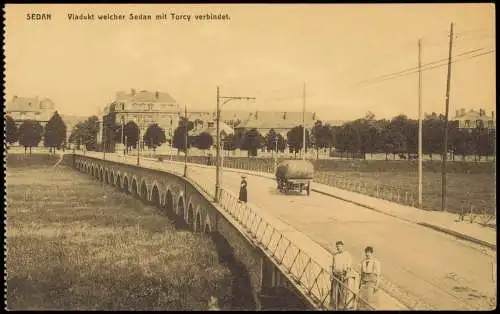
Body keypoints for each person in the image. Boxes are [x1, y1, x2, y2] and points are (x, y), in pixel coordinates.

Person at [330, 241, 353, 309]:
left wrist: (346, 274)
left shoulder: (347, 255)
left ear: (342, 246)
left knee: (342, 292)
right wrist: (331, 274)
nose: (338, 248)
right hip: (335, 275)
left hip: (343, 276)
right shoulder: (335, 255)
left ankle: (341, 307)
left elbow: (349, 266)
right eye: (337, 246)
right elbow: (332, 266)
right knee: (334, 291)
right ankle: (334, 306)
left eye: (339, 246)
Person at [356, 246, 381, 310]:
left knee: (369, 300)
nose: (367, 254)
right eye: (366, 252)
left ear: (372, 253)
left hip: (371, 284)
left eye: (369, 252)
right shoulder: (363, 262)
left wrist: (377, 285)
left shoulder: (376, 262)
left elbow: (378, 275)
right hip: (363, 283)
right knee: (360, 299)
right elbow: (361, 274)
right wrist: (359, 284)